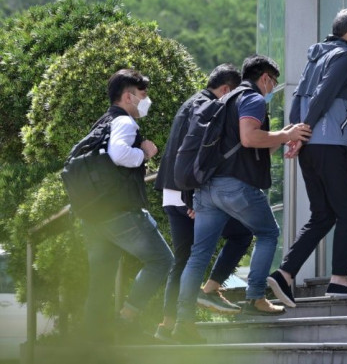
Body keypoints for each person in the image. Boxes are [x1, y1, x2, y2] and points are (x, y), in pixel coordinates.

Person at [172, 55, 312, 343]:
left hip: (206, 189)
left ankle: (182, 323)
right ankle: (256, 297)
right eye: (273, 82)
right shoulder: (253, 99)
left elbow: (247, 147)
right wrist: (287, 135)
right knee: (268, 233)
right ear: (265, 79)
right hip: (234, 186)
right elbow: (249, 138)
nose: (272, 87)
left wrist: (279, 138)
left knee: (198, 255)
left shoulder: (224, 101)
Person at [267, 8, 347, 309]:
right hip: (329, 144)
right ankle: (340, 281)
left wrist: (294, 134)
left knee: (324, 215)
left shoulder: (316, 56)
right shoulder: (341, 55)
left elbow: (299, 96)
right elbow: (324, 94)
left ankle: (285, 274)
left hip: (311, 147)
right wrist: (305, 129)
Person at [153, 64, 254, 342]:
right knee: (242, 233)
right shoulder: (209, 108)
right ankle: (210, 289)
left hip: (172, 193)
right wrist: (192, 197)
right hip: (189, 194)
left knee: (183, 260)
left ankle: (170, 324)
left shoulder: (191, 103)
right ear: (226, 90)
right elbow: (194, 154)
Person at [80, 69, 174, 343]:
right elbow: (119, 154)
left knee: (100, 280)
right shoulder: (124, 122)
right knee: (161, 259)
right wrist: (145, 152)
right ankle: (126, 320)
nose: (147, 100)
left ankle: (93, 341)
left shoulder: (102, 122)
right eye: (143, 95)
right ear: (128, 96)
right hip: (120, 210)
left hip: (95, 214)